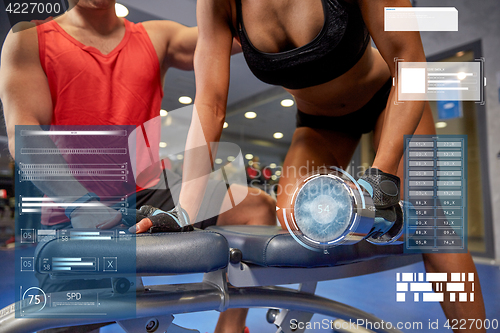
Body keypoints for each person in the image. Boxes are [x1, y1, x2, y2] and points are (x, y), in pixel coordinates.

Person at [149, 0, 485, 332]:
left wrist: (380, 178)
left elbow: (410, 65)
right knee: (295, 217)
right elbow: (209, 105)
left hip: (391, 97)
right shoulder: (218, 4)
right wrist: (185, 211)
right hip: (321, 123)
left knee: (429, 222)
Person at [0, 0, 276, 332]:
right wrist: (80, 203)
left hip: (148, 195)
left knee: (256, 208)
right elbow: (25, 137)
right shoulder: (30, 38)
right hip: (73, 212)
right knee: (65, 323)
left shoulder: (156, 36)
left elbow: (232, 34)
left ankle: (229, 329)